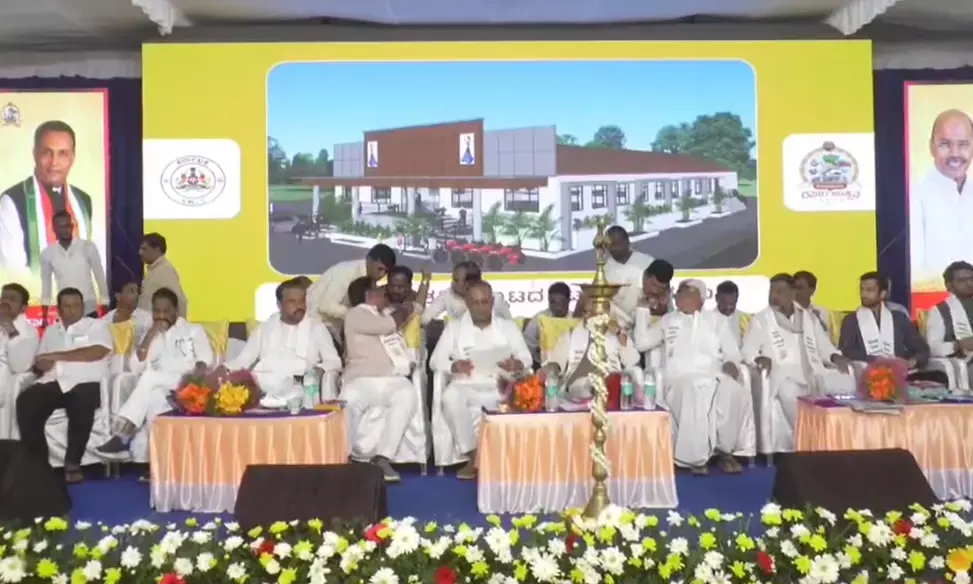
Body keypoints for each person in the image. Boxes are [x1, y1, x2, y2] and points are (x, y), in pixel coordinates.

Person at [632, 279, 754, 475]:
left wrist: (731, 365)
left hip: (714, 376)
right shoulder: (668, 320)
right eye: (679, 293)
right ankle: (695, 458)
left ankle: (725, 451)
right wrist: (642, 311)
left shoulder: (716, 321)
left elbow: (732, 353)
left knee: (734, 391)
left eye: (686, 293)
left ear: (700, 299)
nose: (679, 297)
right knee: (694, 391)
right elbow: (641, 343)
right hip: (679, 379)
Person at [95, 288, 213, 461]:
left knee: (149, 377)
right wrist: (151, 334)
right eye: (157, 311)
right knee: (154, 397)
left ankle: (125, 432)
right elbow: (134, 367)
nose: (161, 316)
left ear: (176, 310)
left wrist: (194, 379)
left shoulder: (193, 330)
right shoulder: (150, 335)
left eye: (166, 311)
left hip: (186, 383)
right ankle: (157, 463)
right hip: (162, 389)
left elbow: (206, 359)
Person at [430, 280, 532, 480]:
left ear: (492, 302)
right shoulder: (454, 327)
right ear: (467, 304)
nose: (480, 307)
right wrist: (454, 366)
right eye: (475, 303)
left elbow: (526, 357)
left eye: (485, 302)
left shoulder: (507, 326)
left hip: (499, 385)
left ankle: (511, 460)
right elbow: (435, 361)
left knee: (521, 395)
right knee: (450, 397)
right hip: (466, 384)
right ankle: (473, 456)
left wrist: (517, 364)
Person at [742, 274, 854, 451]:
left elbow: (824, 347)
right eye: (772, 291)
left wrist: (835, 357)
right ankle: (809, 440)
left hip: (814, 372)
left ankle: (841, 439)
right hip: (783, 374)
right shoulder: (762, 320)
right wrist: (758, 358)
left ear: (792, 293)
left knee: (848, 383)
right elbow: (748, 350)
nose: (774, 296)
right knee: (788, 391)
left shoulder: (808, 317)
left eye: (780, 291)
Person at [16, 288, 112, 483]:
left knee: (80, 399)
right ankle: (39, 465)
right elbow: (41, 360)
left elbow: (97, 352)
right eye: (67, 306)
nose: (73, 310)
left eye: (77, 305)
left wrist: (56, 356)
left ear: (83, 307)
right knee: (26, 401)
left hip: (86, 382)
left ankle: (72, 462)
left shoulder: (96, 326)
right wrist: (41, 365)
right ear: (59, 310)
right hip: (55, 382)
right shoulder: (52, 331)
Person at [342, 276, 418, 483]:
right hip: (361, 379)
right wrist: (407, 308)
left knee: (407, 394)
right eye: (380, 290)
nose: (385, 292)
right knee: (348, 401)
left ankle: (383, 457)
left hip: (391, 378)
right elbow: (387, 326)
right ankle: (344, 458)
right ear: (369, 295)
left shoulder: (383, 312)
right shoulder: (355, 314)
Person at [221, 279, 341, 400]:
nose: (299, 306)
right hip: (264, 389)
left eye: (301, 301)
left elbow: (334, 361)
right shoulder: (264, 328)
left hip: (302, 388)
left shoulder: (317, 328)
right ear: (279, 305)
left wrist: (318, 370)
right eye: (292, 301)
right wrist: (225, 369)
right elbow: (244, 359)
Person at [0, 121, 95, 275]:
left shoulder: (83, 202)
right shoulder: (12, 201)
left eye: (63, 153)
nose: (54, 163)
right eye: (47, 153)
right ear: (35, 154)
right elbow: (13, 270)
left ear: (72, 157)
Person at [838, 271, 948, 385]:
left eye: (869, 290)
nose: (863, 294)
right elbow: (846, 351)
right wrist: (877, 360)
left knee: (939, 376)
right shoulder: (851, 320)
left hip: (901, 372)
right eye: (861, 289)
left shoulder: (898, 318)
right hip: (869, 373)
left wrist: (913, 361)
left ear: (882, 294)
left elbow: (922, 349)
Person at [909, 110, 973, 286]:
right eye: (945, 144)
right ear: (931, 147)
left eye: (963, 144)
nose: (955, 153)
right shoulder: (914, 195)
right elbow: (913, 272)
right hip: (933, 297)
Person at [544, 294, 640, 403]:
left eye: (591, 313)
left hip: (611, 386)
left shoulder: (617, 334)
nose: (586, 317)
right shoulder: (571, 334)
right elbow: (555, 362)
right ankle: (597, 389)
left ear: (605, 314)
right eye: (585, 312)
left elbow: (632, 361)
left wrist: (619, 334)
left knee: (628, 376)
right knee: (586, 384)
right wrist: (552, 368)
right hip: (578, 388)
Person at [307, 244, 396, 336]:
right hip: (315, 324)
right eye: (380, 269)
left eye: (386, 272)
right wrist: (356, 316)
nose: (382, 275)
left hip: (333, 328)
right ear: (369, 260)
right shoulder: (345, 273)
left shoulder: (370, 280)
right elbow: (325, 306)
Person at [39, 211, 108, 321]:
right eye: (62, 227)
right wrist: (44, 314)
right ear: (54, 229)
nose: (66, 230)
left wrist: (105, 301)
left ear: (72, 226)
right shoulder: (48, 253)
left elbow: (99, 275)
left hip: (88, 306)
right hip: (65, 307)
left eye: (68, 225)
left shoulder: (87, 246)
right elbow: (46, 284)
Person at [420, 261, 512, 324]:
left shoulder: (495, 299)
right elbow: (424, 319)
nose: (452, 283)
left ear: (470, 283)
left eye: (456, 280)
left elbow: (510, 325)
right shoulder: (447, 295)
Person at [925, 261, 973, 375]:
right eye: (962, 280)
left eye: (971, 278)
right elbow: (933, 348)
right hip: (964, 365)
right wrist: (958, 345)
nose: (969, 283)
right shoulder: (940, 311)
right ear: (949, 285)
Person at [602, 226, 653, 324]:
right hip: (617, 324)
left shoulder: (646, 262)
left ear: (627, 242)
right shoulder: (605, 269)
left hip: (645, 321)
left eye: (616, 244)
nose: (612, 248)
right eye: (609, 245)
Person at [0, 283, 40, 399]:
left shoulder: (28, 331)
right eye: (3, 298)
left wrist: (10, 328)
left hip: (8, 377)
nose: (5, 302)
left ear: (23, 308)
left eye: (12, 299)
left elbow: (20, 367)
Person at [139, 233, 188, 318]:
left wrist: (176, 325)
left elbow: (179, 301)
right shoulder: (154, 270)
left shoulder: (165, 271)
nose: (140, 252)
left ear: (157, 250)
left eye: (144, 249)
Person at [524, 282, 572, 363]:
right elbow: (526, 344)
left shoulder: (576, 319)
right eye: (553, 302)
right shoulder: (540, 318)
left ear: (568, 300)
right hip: (542, 364)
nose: (557, 307)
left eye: (561, 302)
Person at [793, 270, 831, 335]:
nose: (796, 291)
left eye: (800, 288)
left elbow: (826, 335)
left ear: (812, 290)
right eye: (793, 287)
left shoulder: (821, 312)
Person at [715, 280, 748, 346]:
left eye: (732, 304)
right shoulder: (706, 319)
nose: (728, 307)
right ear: (716, 298)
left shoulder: (746, 320)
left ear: (737, 299)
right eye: (724, 304)